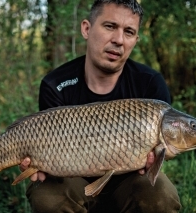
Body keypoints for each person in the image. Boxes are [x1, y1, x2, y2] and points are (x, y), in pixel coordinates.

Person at [20, 0, 182, 212]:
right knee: (46, 194)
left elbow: (160, 153)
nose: (118, 40)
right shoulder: (55, 85)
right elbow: (46, 150)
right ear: (86, 29)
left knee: (160, 192)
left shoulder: (150, 83)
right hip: (75, 182)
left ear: (136, 39)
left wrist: (163, 153)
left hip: (130, 183)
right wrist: (38, 162)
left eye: (129, 32)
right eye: (110, 26)